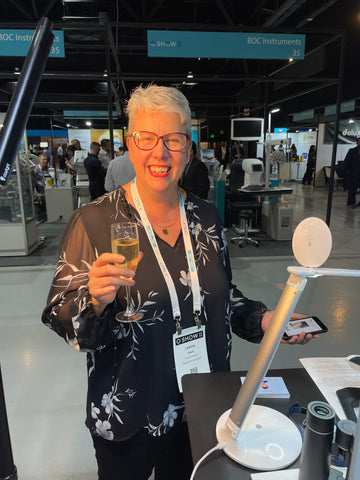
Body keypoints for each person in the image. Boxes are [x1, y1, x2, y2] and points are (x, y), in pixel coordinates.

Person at [41, 84, 314, 480]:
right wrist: (94, 301)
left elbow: (223, 296)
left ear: (188, 148)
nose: (160, 152)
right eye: (147, 138)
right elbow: (59, 317)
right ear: (131, 146)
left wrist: (266, 320)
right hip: (128, 411)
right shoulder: (94, 222)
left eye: (173, 139)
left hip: (201, 404)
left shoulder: (206, 216)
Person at [343, 137, 360, 208]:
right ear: (357, 142)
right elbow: (346, 162)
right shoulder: (352, 151)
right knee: (352, 190)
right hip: (354, 174)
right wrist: (348, 172)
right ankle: (351, 203)